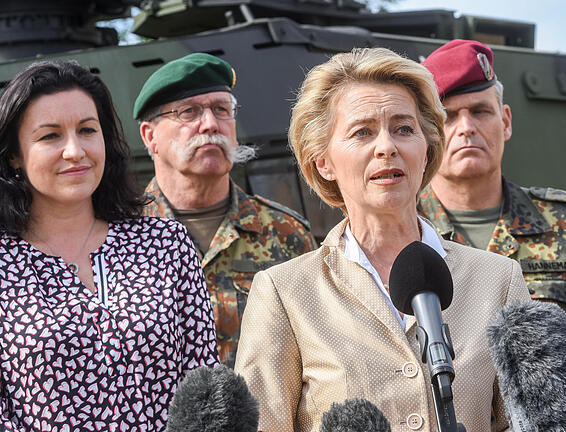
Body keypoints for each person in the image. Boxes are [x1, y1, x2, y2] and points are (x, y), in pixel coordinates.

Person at [234, 47, 530, 431]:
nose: (387, 146)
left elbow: (532, 422)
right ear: (322, 161)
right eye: (362, 132)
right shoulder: (284, 292)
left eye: (404, 129)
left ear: (426, 149)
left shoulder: (498, 280)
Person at [418, 39, 566, 429]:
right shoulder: (402, 234)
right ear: (428, 135)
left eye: (480, 111)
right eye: (449, 116)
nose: (467, 127)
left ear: (505, 121)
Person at [0, 61, 218, 431]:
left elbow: (206, 390)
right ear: (14, 156)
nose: (74, 151)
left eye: (87, 130)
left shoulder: (166, 245)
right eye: (50, 136)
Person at [134, 53, 317, 367]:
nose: (210, 124)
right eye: (188, 112)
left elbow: (315, 351)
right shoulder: (116, 237)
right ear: (151, 137)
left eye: (221, 109)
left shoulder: (285, 233)